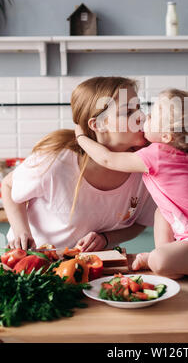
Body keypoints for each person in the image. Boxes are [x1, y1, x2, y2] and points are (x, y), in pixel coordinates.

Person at [75, 87, 188, 278]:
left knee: (158, 260)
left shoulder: (157, 155)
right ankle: (172, 261)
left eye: (151, 117)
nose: (144, 118)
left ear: (167, 137)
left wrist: (80, 136)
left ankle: (159, 259)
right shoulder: (182, 153)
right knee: (160, 212)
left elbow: (108, 159)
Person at [2, 76, 157, 251]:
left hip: (96, 269)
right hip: (36, 261)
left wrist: (105, 239)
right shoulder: (56, 161)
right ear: (97, 124)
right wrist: (22, 232)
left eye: (139, 108)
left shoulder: (144, 167)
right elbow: (8, 185)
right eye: (128, 112)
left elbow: (140, 222)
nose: (142, 117)